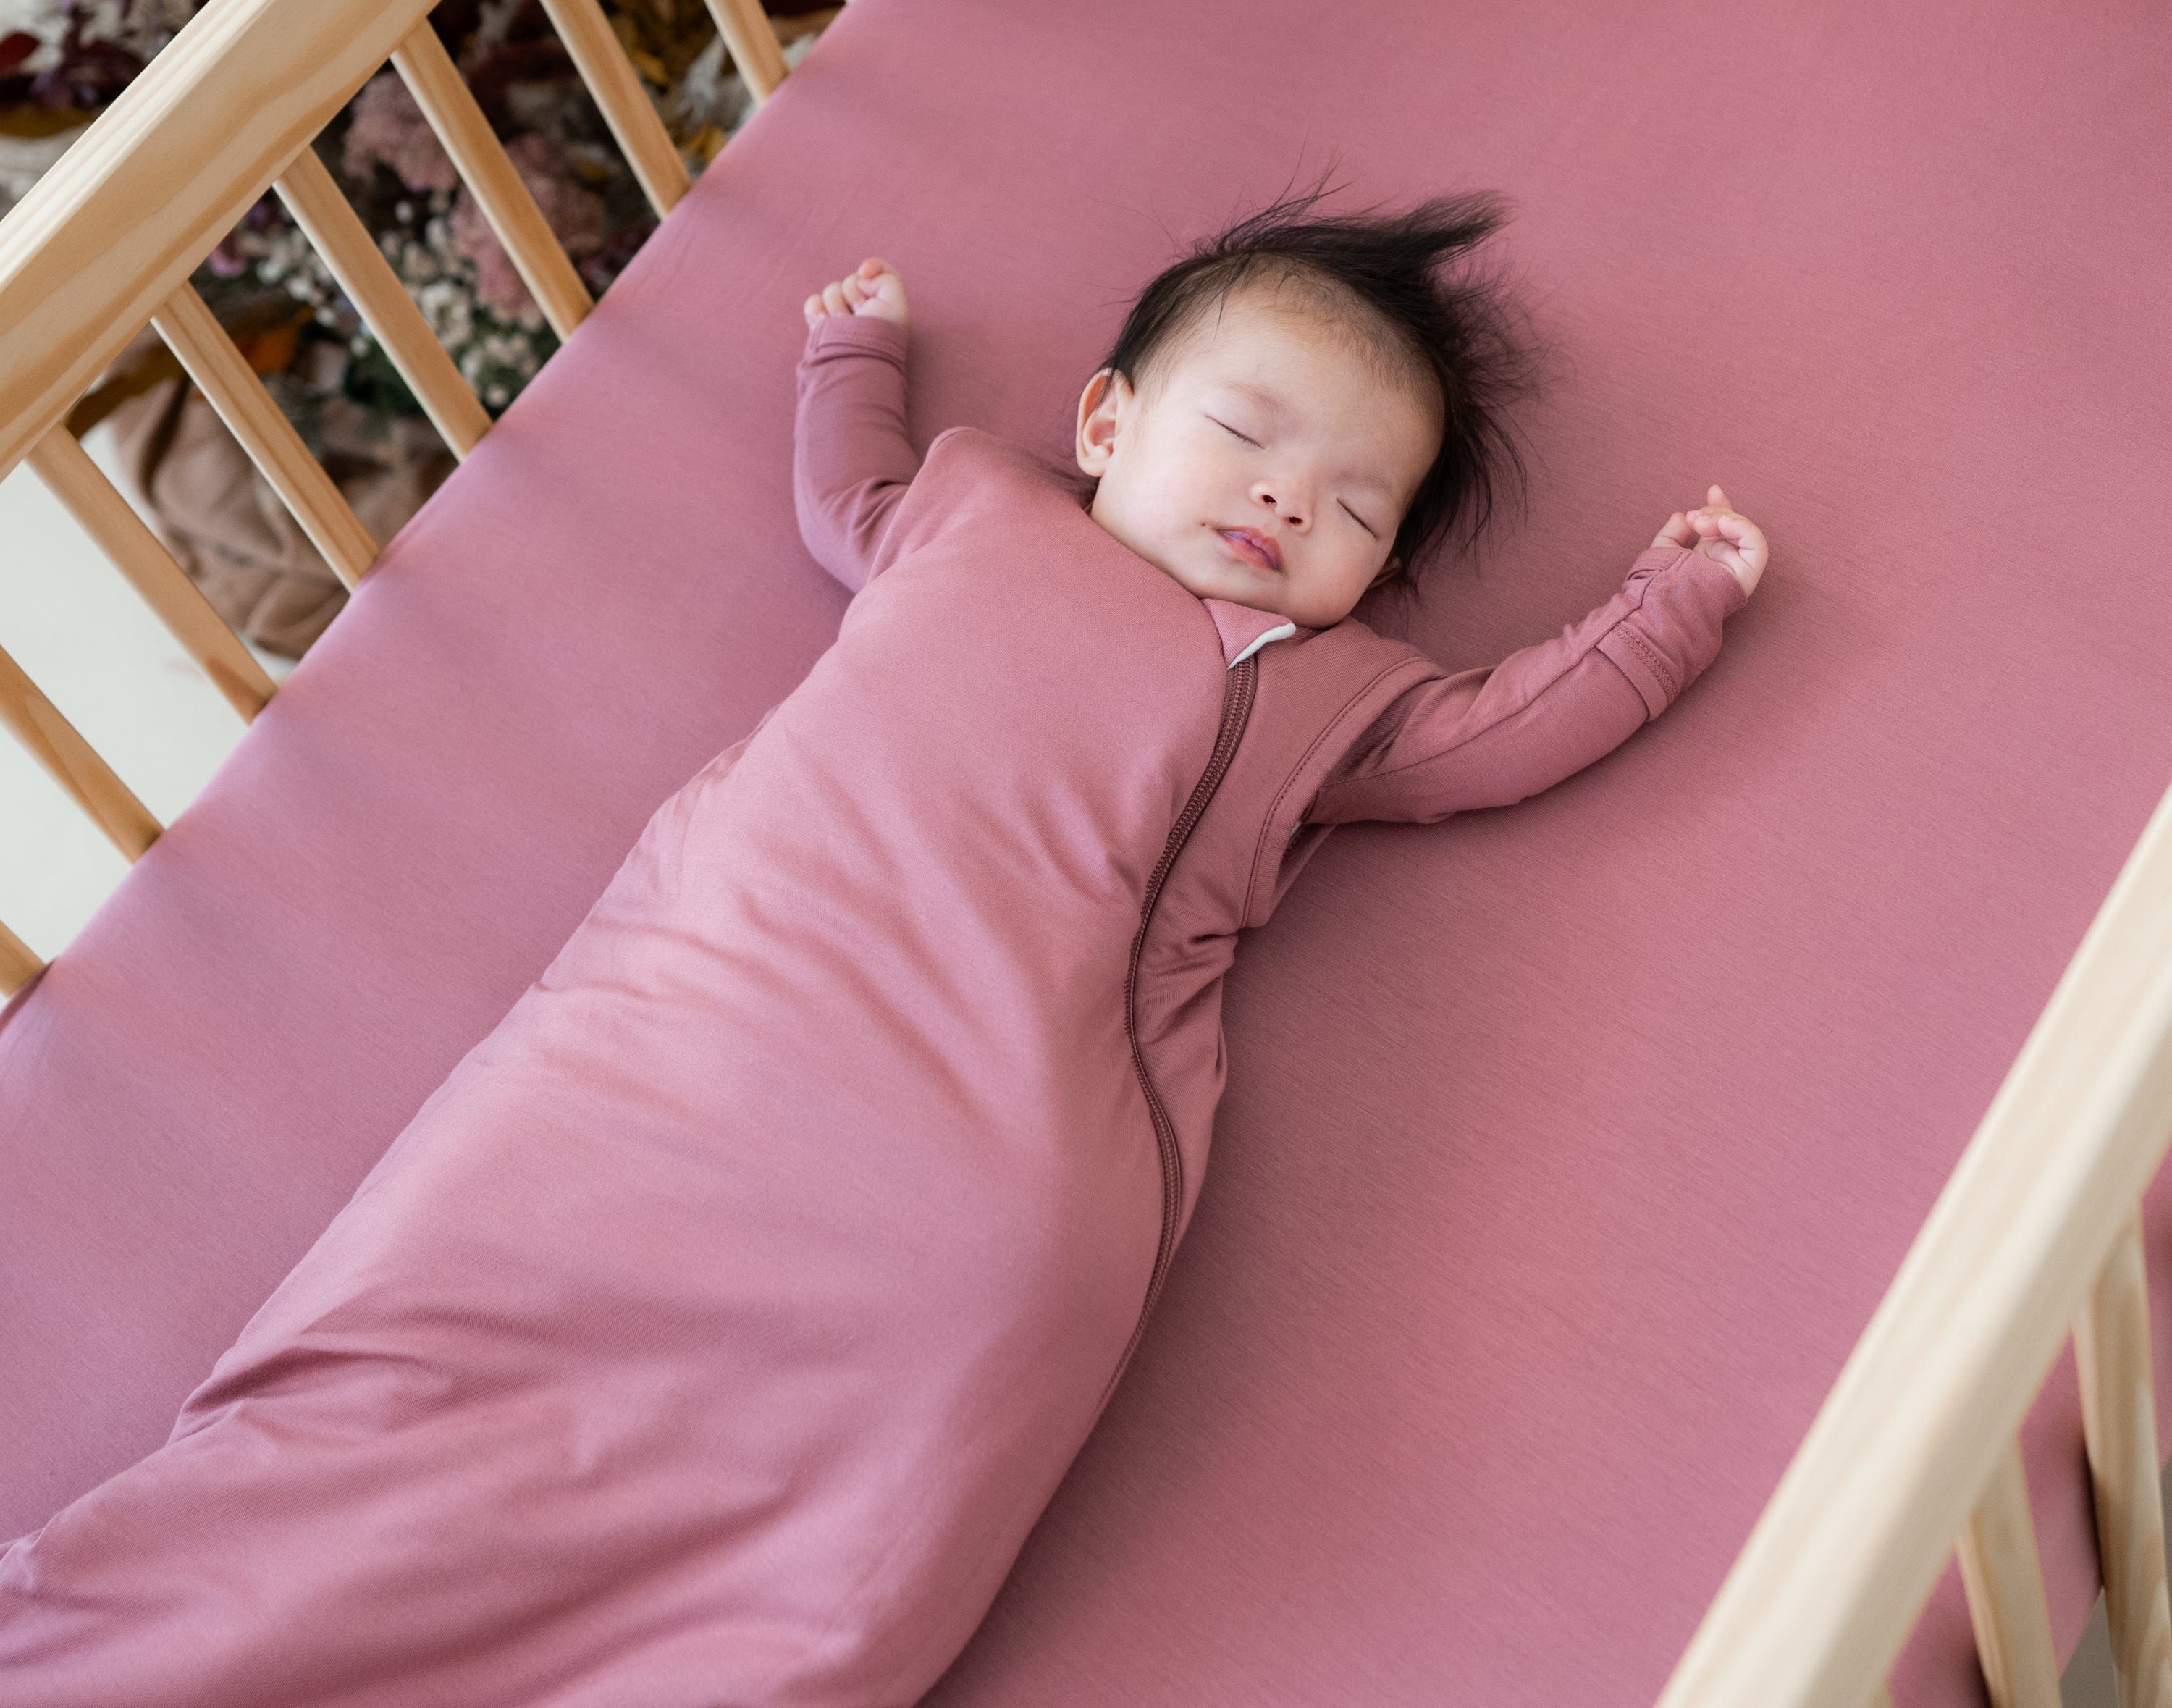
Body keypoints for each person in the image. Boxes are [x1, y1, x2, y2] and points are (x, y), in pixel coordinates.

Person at [0, 195, 1763, 1707]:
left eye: (1360, 508)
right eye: (1247, 434)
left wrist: (1669, 606)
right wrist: (850, 359)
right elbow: (844, 497)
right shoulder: (971, 509)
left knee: (795, 1569)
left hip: (975, 1171)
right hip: (664, 1060)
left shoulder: (1317, 692)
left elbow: (1497, 739)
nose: (1290, 501)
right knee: (386, 1388)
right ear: (1104, 423)